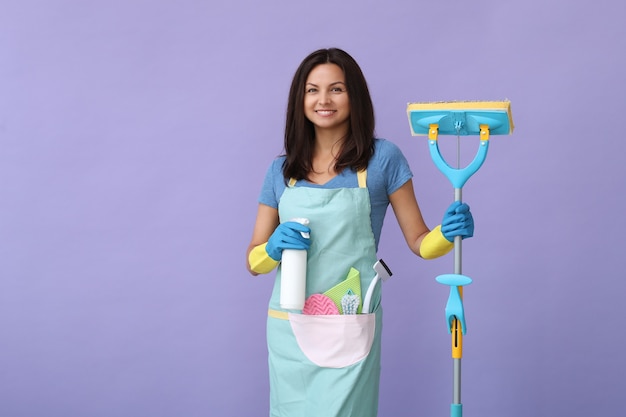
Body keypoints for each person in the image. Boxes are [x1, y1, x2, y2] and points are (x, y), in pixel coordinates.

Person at [246, 48, 474, 417]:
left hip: (350, 323)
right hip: (289, 325)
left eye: (336, 89)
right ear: (299, 100)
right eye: (312, 90)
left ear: (355, 95)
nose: (323, 100)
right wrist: (271, 248)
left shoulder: (382, 159)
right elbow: (254, 261)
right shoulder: (281, 171)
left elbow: (420, 242)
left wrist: (447, 234)